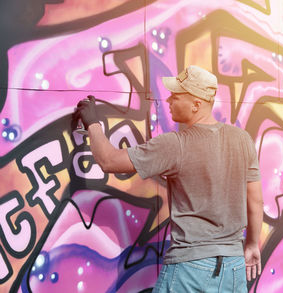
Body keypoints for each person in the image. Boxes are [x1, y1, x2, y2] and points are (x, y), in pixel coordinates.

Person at [73, 65, 263, 292]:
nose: (169, 100)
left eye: (176, 95)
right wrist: (252, 244)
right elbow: (255, 200)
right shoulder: (242, 140)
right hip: (233, 268)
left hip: (191, 267)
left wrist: (92, 123)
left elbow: (109, 161)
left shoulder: (175, 144)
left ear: (196, 104)